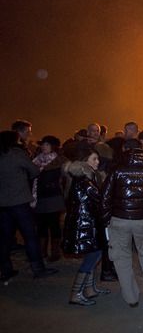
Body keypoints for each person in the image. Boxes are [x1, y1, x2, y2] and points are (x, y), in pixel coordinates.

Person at [102, 139, 143, 307]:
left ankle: (131, 297)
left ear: (125, 149)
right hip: (142, 220)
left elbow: (105, 197)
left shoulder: (116, 171)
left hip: (118, 219)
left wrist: (107, 218)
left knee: (121, 257)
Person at [0, 130, 58, 282]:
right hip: (20, 202)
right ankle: (38, 268)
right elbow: (33, 171)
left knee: (5, 238)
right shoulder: (16, 154)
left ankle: (5, 270)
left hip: (3, 204)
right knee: (30, 236)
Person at [62, 148, 111, 306]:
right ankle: (75, 293)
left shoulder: (85, 177)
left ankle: (89, 289)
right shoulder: (84, 181)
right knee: (91, 258)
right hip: (87, 225)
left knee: (95, 254)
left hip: (89, 224)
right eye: (94, 159)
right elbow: (100, 200)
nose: (97, 162)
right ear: (84, 160)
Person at [33, 135, 68, 262]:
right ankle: (42, 251)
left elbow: (66, 179)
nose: (43, 147)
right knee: (41, 225)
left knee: (54, 224)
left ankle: (55, 252)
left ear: (53, 147)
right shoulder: (36, 160)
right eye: (42, 144)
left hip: (54, 196)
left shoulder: (60, 161)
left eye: (46, 144)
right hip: (40, 197)